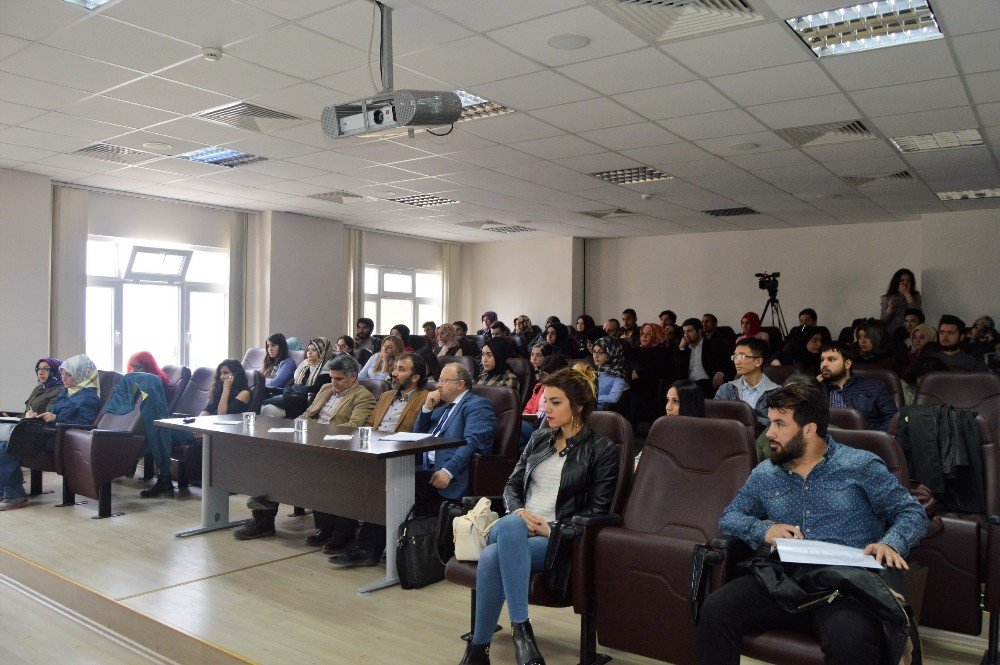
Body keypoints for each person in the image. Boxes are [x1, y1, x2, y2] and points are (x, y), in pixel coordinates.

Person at [698, 383, 927, 665]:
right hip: (784, 580)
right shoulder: (766, 473)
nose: (769, 432)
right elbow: (730, 517)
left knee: (851, 641)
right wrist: (764, 530)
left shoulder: (860, 466)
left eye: (780, 424)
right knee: (716, 609)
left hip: (846, 588)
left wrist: (891, 542)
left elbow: (911, 512)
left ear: (809, 428)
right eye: (770, 422)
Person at [458, 366, 619, 665]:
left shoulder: (602, 449)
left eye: (556, 401)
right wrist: (517, 511)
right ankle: (522, 631)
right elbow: (512, 485)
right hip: (513, 526)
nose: (546, 407)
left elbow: (598, 510)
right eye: (546, 400)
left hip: (555, 537)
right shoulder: (539, 439)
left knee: (493, 558)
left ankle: (477, 652)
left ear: (578, 407)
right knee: (509, 528)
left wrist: (551, 528)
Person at [331, 362, 496, 569]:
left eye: (444, 381)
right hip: (423, 467)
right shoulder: (444, 407)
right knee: (377, 479)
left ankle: (368, 549)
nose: (439, 385)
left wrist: (448, 471)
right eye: (439, 380)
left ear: (461, 384)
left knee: (396, 486)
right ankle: (363, 543)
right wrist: (427, 409)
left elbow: (473, 443)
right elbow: (417, 433)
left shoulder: (477, 405)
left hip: (450, 474)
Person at [235, 355, 375, 541]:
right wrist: (297, 427)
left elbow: (352, 426)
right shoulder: (326, 388)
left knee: (306, 471)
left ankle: (329, 529)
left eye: (339, 379)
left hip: (334, 448)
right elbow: (308, 414)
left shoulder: (363, 396)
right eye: (332, 377)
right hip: (309, 441)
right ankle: (262, 520)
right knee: (269, 462)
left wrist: (315, 432)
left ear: (354, 377)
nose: (334, 382)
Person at [312, 353, 431, 555]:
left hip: (399, 456)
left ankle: (351, 539)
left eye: (401, 369)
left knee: (353, 478)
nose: (394, 373)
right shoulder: (385, 397)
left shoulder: (426, 399)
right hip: (372, 450)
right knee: (329, 471)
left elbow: (424, 432)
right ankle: (333, 530)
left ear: (415, 377)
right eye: (395, 368)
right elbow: (367, 425)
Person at [1, 355, 102, 510]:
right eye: (62, 374)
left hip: (59, 438)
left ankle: (15, 495)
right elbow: (51, 410)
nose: (63, 378)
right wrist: (39, 415)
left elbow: (84, 424)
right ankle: (5, 490)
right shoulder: (67, 392)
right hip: (47, 432)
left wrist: (55, 418)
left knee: (6, 447)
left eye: (67, 374)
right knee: (3, 444)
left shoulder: (89, 398)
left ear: (80, 375)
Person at [817, 342, 898, 431]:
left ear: (847, 364)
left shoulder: (873, 387)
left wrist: (873, 439)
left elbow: (892, 419)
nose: (824, 364)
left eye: (831, 359)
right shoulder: (816, 390)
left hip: (864, 441)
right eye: (822, 360)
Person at [634, 379, 705, 468]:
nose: (668, 407)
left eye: (675, 401)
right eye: (668, 400)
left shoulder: (704, 440)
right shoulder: (662, 432)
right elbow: (639, 462)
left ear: (690, 405)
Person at [260, 337, 334, 419]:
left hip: (305, 405)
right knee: (265, 407)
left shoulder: (328, 371)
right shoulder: (305, 366)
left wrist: (295, 389)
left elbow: (312, 390)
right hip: (292, 400)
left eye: (314, 350)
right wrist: (296, 389)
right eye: (308, 350)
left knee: (267, 408)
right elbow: (289, 386)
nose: (309, 352)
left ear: (323, 352)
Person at [715, 338, 781, 427]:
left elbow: (778, 424)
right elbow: (714, 417)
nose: (736, 361)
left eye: (742, 356)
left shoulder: (777, 393)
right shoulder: (727, 389)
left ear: (758, 362)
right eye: (735, 357)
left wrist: (747, 418)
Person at [677, 317, 734, 397]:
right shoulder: (683, 349)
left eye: (689, 331)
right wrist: (681, 349)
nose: (686, 335)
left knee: (697, 388)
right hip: (688, 383)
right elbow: (677, 369)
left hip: (706, 382)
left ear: (699, 331)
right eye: (684, 332)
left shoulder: (714, 345)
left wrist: (720, 373)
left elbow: (727, 362)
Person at [592, 336, 629, 410]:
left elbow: (613, 398)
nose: (596, 356)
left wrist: (589, 398)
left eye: (601, 352)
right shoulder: (597, 370)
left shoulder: (619, 376)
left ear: (611, 353)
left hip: (604, 416)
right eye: (594, 352)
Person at [880, 268, 921, 335]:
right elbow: (882, 322)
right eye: (902, 280)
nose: (905, 283)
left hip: (910, 334)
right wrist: (889, 310)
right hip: (892, 335)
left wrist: (907, 294)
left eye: (908, 281)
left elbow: (917, 314)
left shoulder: (915, 296)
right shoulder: (888, 298)